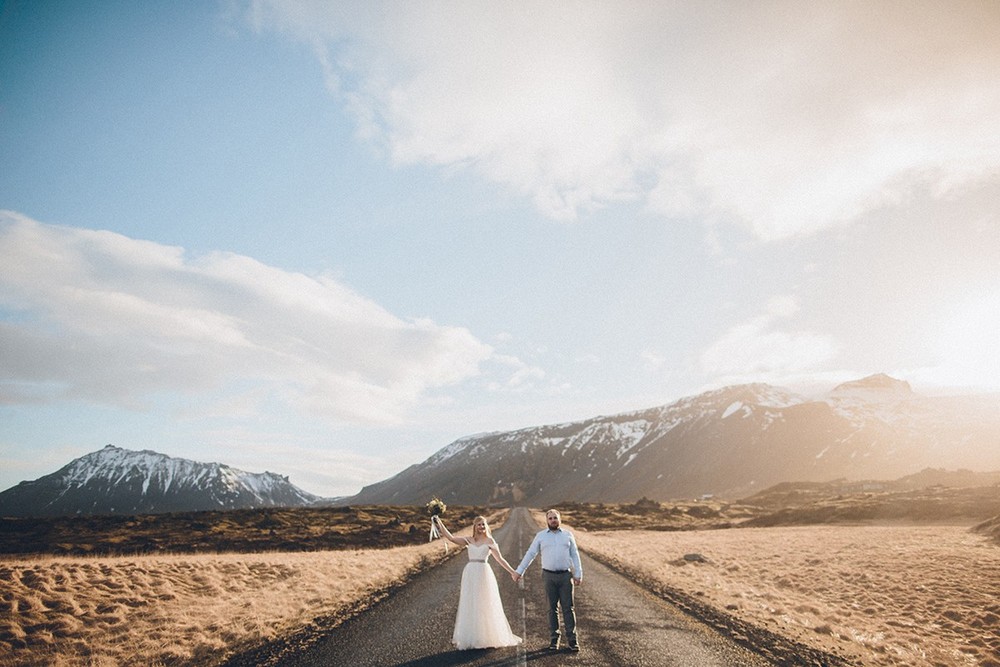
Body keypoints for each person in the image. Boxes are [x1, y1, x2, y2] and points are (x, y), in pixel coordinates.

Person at [432, 514, 522, 650]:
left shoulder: (490, 541)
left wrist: (513, 572)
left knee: (484, 602)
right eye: (479, 524)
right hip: (470, 572)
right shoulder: (469, 540)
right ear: (474, 526)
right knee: (470, 602)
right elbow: (451, 538)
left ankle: (487, 636)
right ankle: (472, 636)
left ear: (486, 526)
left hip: (484, 572)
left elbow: (500, 559)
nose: (481, 526)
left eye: (483, 524)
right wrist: (439, 523)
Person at [513, 509, 583, 652]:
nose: (553, 520)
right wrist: (519, 571)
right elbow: (530, 554)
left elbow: (575, 555)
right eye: (550, 518)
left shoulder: (568, 535)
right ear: (546, 520)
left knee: (568, 608)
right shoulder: (540, 536)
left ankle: (572, 640)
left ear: (560, 519)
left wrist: (578, 574)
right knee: (552, 609)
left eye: (555, 518)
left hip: (565, 576)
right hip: (548, 576)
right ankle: (554, 640)